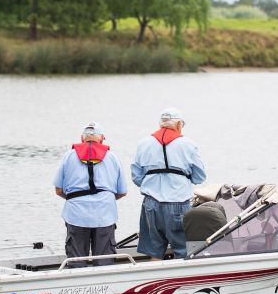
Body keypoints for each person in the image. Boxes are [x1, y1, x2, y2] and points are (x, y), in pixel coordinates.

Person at [132, 107, 206, 260]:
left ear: (161, 124)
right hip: (178, 203)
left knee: (154, 252)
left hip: (150, 204)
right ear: (179, 124)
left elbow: (136, 177)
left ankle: (156, 282)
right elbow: (199, 177)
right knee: (183, 250)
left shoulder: (143, 143)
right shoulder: (188, 144)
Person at [53, 122, 127, 267]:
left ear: (82, 139)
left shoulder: (68, 156)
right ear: (102, 139)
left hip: (76, 215)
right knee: (105, 261)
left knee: (76, 262)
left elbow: (59, 190)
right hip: (105, 214)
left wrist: (75, 198)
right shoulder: (113, 157)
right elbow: (122, 191)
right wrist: (104, 198)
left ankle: (76, 286)